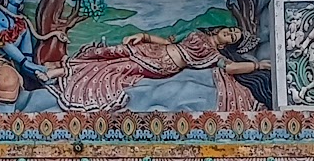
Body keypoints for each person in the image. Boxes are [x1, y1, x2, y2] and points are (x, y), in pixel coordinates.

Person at [57, 24, 268, 112]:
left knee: (116, 68)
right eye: (231, 30)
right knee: (110, 53)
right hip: (153, 50)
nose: (229, 33)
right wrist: (145, 36)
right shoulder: (197, 33)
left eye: (233, 37)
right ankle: (61, 70)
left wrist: (256, 65)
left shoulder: (215, 55)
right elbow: (168, 43)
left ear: (227, 44)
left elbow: (230, 68)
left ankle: (68, 78)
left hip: (162, 65)